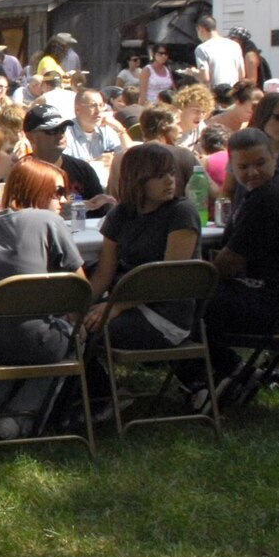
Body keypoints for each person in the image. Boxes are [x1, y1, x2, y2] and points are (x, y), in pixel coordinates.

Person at [0, 157, 88, 438]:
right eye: (57, 191)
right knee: (73, 334)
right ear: (34, 189)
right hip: (33, 342)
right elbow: (81, 289)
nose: (64, 200)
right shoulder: (49, 220)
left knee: (14, 329)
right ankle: (21, 417)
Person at [204, 129, 279, 404]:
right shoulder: (264, 191)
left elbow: (230, 262)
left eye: (260, 163)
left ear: (274, 159)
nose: (252, 172)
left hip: (278, 304)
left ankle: (233, 374)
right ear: (232, 166)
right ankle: (230, 373)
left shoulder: (270, 199)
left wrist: (197, 276)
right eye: (243, 167)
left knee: (185, 306)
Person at [82, 143, 203, 391]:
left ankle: (100, 398)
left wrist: (115, 307)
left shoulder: (181, 213)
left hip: (165, 315)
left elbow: (168, 279)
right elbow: (104, 274)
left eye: (171, 173)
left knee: (82, 334)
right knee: (70, 326)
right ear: (137, 180)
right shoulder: (120, 215)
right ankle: (88, 397)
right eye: (159, 176)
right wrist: (78, 307)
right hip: (126, 305)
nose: (169, 181)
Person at [22, 104, 113, 212]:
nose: (60, 134)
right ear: (30, 137)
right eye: (52, 130)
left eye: (62, 129)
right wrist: (75, 208)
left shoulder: (83, 169)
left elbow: (100, 213)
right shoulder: (22, 172)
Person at [65, 89, 125, 171]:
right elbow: (64, 166)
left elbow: (130, 156)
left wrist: (120, 129)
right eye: (93, 106)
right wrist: (95, 162)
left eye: (101, 105)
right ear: (77, 110)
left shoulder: (106, 129)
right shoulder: (66, 133)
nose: (98, 110)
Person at [193, 15, 244, 89]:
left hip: (215, 93)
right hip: (233, 93)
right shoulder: (235, 45)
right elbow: (242, 74)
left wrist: (193, 73)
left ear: (201, 29)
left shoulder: (202, 48)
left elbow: (205, 78)